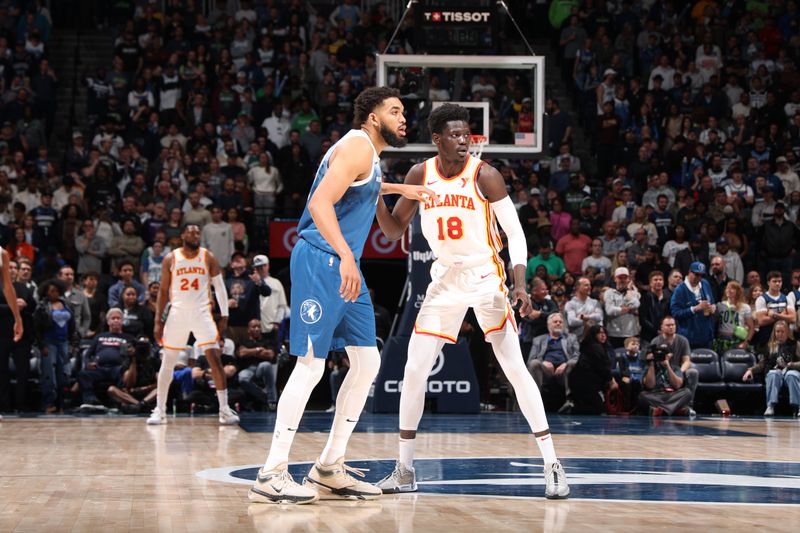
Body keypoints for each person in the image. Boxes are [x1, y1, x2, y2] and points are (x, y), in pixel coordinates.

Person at [372, 103, 568, 499]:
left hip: (485, 276)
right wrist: (373, 193)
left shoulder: (486, 175)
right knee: (413, 370)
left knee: (513, 366)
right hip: (445, 279)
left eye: (468, 135)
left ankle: (553, 464)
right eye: (456, 135)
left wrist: (519, 283)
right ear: (437, 139)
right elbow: (393, 231)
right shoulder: (419, 174)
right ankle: (405, 469)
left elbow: (515, 234)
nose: (464, 142)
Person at [250, 87, 433, 505]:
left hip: (342, 265)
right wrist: (349, 256)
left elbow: (366, 196)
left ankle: (329, 466)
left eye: (404, 111)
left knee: (368, 361)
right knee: (311, 365)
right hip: (322, 260)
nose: (404, 118)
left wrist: (397, 191)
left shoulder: (368, 155)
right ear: (372, 117)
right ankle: (271, 472)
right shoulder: (356, 147)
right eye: (395, 111)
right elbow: (319, 203)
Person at [147, 223, 238, 426]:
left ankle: (224, 409)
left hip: (202, 312)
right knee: (168, 361)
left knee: (214, 358)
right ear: (182, 235)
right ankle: (159, 410)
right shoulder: (171, 258)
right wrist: (157, 321)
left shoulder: (208, 256)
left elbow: (220, 287)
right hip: (177, 313)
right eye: (191, 232)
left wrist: (224, 314)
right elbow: (163, 291)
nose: (195, 235)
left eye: (198, 232)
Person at [77, 308, 135, 410]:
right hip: (100, 368)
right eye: (113, 318)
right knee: (83, 374)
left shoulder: (129, 337)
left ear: (122, 321)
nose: (116, 320)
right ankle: (91, 400)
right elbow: (87, 354)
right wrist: (88, 363)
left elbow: (134, 353)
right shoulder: (100, 337)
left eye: (118, 318)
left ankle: (122, 402)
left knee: (127, 374)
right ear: (108, 321)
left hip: (118, 368)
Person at [34, 279, 77, 413]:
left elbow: (73, 327)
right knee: (49, 375)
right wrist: (42, 345)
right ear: (46, 292)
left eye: (57, 291)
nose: (54, 293)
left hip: (64, 343)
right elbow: (37, 329)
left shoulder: (67, 304)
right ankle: (48, 403)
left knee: (63, 375)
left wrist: (73, 344)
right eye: (51, 291)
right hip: (49, 343)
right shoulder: (42, 306)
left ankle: (62, 404)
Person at [527, 312, 581, 414]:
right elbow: (530, 359)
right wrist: (543, 362)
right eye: (555, 322)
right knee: (534, 363)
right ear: (549, 325)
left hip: (564, 371)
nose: (558, 323)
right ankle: (534, 402)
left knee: (572, 364)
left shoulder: (571, 338)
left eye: (560, 322)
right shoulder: (538, 340)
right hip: (546, 371)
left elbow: (577, 356)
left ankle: (569, 401)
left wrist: (566, 364)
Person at [742, 320, 799, 416]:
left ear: (787, 332)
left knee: (791, 374)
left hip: (791, 372)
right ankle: (770, 406)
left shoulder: (795, 344)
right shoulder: (770, 346)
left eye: (782, 331)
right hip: (777, 375)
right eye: (777, 331)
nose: (779, 334)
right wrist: (751, 370)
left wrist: (792, 365)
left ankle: (797, 406)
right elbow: (762, 364)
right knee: (773, 373)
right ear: (774, 332)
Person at [644, 316, 697, 416]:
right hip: (660, 371)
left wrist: (679, 373)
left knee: (692, 373)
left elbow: (686, 361)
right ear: (662, 327)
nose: (671, 327)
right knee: (642, 396)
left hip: (677, 370)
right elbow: (651, 359)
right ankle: (676, 409)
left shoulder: (683, 340)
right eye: (668, 325)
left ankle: (687, 406)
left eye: (673, 325)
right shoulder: (655, 341)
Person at [570, 325, 616, 414]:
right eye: (599, 333)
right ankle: (571, 408)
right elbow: (603, 367)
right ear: (594, 335)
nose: (603, 335)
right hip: (583, 383)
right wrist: (611, 381)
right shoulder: (594, 347)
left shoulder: (603, 347)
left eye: (604, 333)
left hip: (588, 383)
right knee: (598, 409)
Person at [670, 261, 716, 349]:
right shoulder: (680, 290)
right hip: (688, 339)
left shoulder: (705, 284)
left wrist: (713, 307)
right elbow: (675, 313)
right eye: (696, 274)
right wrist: (694, 309)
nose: (699, 277)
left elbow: (712, 302)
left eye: (701, 275)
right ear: (689, 272)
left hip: (706, 336)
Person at [236, 318, 277, 409]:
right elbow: (242, 353)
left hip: (260, 368)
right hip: (247, 368)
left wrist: (250, 352)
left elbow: (270, 355)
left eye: (258, 327)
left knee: (266, 365)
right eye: (254, 327)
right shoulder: (243, 341)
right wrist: (258, 350)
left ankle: (272, 401)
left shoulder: (266, 341)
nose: (257, 329)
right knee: (242, 377)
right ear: (248, 329)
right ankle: (264, 396)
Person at [753, 271, 796, 349]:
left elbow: (793, 318)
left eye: (779, 281)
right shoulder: (761, 299)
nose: (777, 283)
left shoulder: (787, 298)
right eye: (774, 281)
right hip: (766, 336)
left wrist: (775, 315)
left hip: (784, 337)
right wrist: (783, 315)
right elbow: (762, 321)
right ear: (768, 282)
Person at [604, 267, 641, 348]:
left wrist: (629, 293)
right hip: (614, 334)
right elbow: (609, 311)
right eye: (620, 277)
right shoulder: (609, 293)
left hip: (631, 333)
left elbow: (636, 304)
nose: (622, 280)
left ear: (628, 279)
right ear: (615, 279)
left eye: (625, 277)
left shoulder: (634, 292)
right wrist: (628, 309)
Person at [714, 281, 755, 354]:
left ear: (738, 291)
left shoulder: (745, 307)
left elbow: (751, 328)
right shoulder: (720, 305)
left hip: (737, 340)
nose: (729, 290)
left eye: (732, 288)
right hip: (722, 340)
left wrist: (746, 342)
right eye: (727, 288)